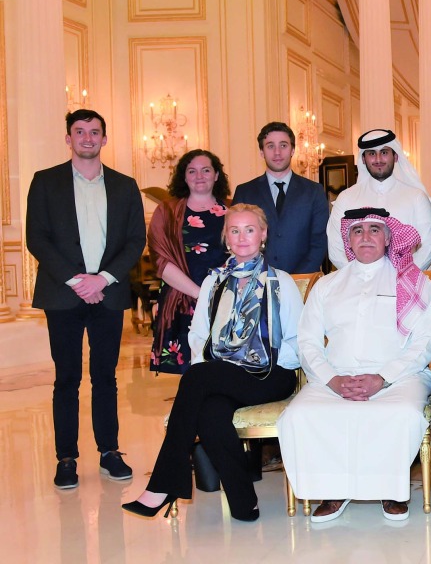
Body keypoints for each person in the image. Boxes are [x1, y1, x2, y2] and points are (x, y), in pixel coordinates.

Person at [122, 204, 303, 521]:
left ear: (262, 235)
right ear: (226, 238)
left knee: (197, 379)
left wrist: (260, 357)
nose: (242, 237)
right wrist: (218, 368)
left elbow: (298, 340)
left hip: (272, 374)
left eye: (249, 229)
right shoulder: (213, 283)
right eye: (234, 230)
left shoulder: (281, 282)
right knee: (211, 411)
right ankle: (244, 501)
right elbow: (198, 336)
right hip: (222, 375)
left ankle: (164, 484)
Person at [278, 208, 431, 522]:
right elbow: (307, 341)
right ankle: (334, 488)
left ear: (389, 237)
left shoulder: (414, 283)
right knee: (299, 415)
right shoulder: (327, 285)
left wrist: (383, 377)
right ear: (348, 239)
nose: (366, 237)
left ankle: (389, 489)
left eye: (374, 230)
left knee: (401, 413)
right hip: (335, 376)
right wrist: (332, 380)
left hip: (400, 376)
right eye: (358, 230)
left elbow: (424, 343)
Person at [27, 110, 146, 490]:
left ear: (105, 139)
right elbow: (37, 238)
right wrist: (79, 280)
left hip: (107, 295)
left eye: (95, 132)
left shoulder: (126, 186)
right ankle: (66, 458)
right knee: (66, 379)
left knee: (106, 378)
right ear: (68, 138)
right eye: (80, 132)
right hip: (63, 295)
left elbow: (135, 241)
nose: (88, 138)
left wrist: (103, 279)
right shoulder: (45, 182)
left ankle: (109, 451)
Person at [147, 149, 231, 373]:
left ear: (216, 175)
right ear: (183, 177)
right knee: (189, 374)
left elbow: (244, 254)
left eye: (206, 170)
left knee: (222, 370)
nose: (199, 176)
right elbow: (160, 260)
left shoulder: (233, 210)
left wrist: (214, 295)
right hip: (181, 299)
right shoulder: (166, 211)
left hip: (225, 301)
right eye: (192, 171)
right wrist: (200, 294)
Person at [326, 129, 431, 271]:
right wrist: (361, 278)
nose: (378, 159)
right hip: (357, 288)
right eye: (372, 153)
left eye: (384, 152)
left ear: (395, 156)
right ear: (363, 159)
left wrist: (399, 278)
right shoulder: (346, 198)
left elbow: (427, 248)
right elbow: (335, 249)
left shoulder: (417, 198)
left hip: (405, 285)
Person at [231, 122, 330, 274]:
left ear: (293, 150)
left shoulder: (314, 191)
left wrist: (296, 280)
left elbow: (319, 241)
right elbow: (237, 239)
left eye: (283, 145)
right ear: (262, 152)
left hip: (302, 282)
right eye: (270, 146)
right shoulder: (245, 191)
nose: (277, 152)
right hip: (256, 281)